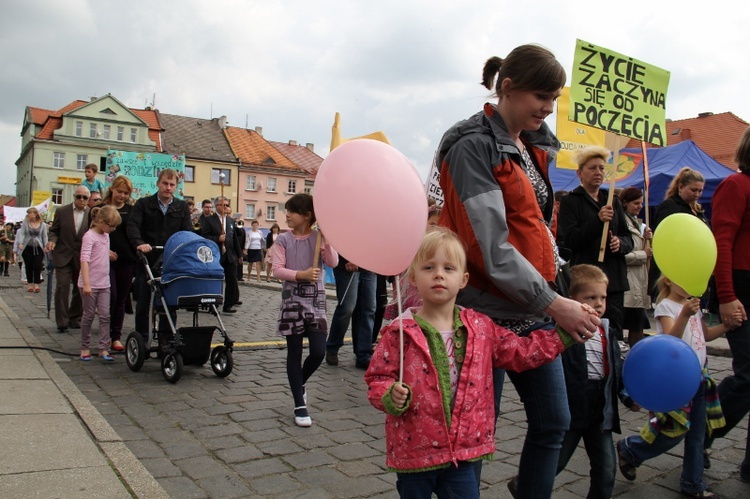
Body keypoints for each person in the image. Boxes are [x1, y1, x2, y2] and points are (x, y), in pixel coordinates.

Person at [436, 44, 598, 498]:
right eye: (541, 96)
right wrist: (555, 302)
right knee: (474, 435)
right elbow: (490, 247)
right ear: (507, 88)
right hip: (483, 312)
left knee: (553, 425)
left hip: (532, 306)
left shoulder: (530, 143)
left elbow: (531, 230)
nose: (549, 108)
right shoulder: (473, 146)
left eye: (555, 98)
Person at [365, 228, 586, 498]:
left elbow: (520, 351)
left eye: (449, 268)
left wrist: (562, 336)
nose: (439, 274)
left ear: (463, 280)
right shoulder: (400, 333)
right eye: (428, 267)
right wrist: (389, 394)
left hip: (463, 454)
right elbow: (377, 377)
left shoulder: (481, 328)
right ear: (412, 276)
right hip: (415, 454)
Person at [616, 276, 738, 498]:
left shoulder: (693, 306)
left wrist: (726, 326)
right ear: (669, 281)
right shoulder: (666, 307)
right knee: (672, 432)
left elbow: (706, 335)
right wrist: (685, 314)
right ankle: (631, 449)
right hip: (676, 380)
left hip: (700, 378)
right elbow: (671, 339)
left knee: (698, 435)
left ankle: (692, 482)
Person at [545, 264, 636, 499]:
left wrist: (627, 397)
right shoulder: (562, 329)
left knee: (606, 468)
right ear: (572, 300)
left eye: (602, 297)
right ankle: (526, 483)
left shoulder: (607, 330)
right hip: (573, 409)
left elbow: (616, 370)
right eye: (590, 297)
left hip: (601, 410)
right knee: (555, 462)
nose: (598, 303)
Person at [705, 126, 750, 482]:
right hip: (742, 288)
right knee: (748, 377)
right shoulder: (737, 185)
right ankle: (696, 431)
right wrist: (727, 296)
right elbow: (722, 242)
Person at [270, 193, 338, 427]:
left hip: (316, 303)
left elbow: (332, 262)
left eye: (292, 211)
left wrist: (327, 241)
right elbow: (277, 270)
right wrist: (300, 275)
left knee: (319, 351)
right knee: (294, 353)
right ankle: (300, 405)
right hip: (292, 302)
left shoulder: (318, 237)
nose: (287, 215)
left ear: (307, 216)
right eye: (287, 210)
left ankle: (300, 382)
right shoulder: (282, 240)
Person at [556, 146, 634, 341]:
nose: (598, 173)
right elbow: (570, 240)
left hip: (613, 278)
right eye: (592, 168)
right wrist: (597, 221)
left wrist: (620, 244)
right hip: (587, 279)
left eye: (601, 168)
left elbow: (628, 237)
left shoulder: (612, 200)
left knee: (613, 332)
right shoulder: (571, 202)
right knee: (587, 330)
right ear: (580, 173)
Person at [127, 168, 191, 335]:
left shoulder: (182, 207)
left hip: (169, 261)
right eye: (165, 183)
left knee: (169, 303)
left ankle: (166, 340)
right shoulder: (143, 204)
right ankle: (142, 336)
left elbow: (186, 231)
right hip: (146, 259)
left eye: (171, 184)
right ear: (158, 184)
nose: (168, 187)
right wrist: (139, 243)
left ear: (176, 186)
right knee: (144, 302)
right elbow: (133, 225)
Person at [649, 167, 708, 301]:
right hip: (674, 270)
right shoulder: (670, 206)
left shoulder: (697, 210)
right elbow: (665, 238)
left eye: (700, 191)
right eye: (693, 190)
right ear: (680, 187)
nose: (697, 194)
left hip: (693, 267)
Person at [78, 205, 121, 362]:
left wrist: (107, 254)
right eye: (112, 226)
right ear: (101, 222)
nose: (113, 229)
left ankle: (104, 348)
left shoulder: (105, 236)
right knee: (88, 316)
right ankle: (85, 347)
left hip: (104, 283)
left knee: (105, 316)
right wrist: (87, 284)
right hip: (90, 283)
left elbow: (100, 251)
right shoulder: (89, 236)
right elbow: (84, 260)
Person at [47, 185, 90, 333]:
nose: (82, 200)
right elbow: (54, 231)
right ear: (74, 197)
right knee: (62, 286)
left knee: (80, 288)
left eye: (85, 197)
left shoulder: (90, 214)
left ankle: (74, 318)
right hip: (63, 254)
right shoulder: (62, 211)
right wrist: (52, 240)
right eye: (79, 196)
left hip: (81, 257)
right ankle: (62, 321)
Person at [102, 176, 136, 352]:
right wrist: (103, 251)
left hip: (126, 260)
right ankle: (105, 334)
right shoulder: (101, 209)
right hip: (105, 261)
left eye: (125, 193)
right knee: (111, 296)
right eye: (119, 191)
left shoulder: (131, 211)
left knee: (122, 299)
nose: (122, 196)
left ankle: (115, 336)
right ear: (112, 189)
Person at [325, 256, 377, 370]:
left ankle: (363, 355)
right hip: (346, 264)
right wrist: (350, 257)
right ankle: (332, 346)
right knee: (347, 307)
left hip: (369, 264)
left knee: (369, 309)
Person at [619, 187, 653, 347]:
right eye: (636, 203)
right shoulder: (621, 223)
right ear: (625, 203)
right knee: (630, 326)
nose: (640, 206)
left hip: (639, 284)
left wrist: (647, 239)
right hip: (627, 283)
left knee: (638, 326)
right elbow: (620, 255)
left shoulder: (638, 224)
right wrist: (643, 254)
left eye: (641, 203)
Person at [201, 196, 242, 314]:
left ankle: (228, 305)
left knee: (232, 280)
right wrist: (217, 239)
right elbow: (205, 237)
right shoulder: (209, 220)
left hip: (230, 255)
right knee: (214, 280)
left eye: (227, 205)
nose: (225, 207)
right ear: (217, 206)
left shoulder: (230, 221)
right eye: (223, 205)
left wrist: (239, 255)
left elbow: (234, 239)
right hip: (216, 254)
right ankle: (212, 304)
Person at [16, 208, 48, 293]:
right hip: (27, 247)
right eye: (28, 213)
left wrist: (45, 246)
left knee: (37, 265)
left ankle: (36, 284)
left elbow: (44, 236)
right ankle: (30, 284)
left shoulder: (43, 225)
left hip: (38, 248)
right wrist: (20, 243)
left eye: (30, 213)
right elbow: (22, 233)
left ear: (35, 214)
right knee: (28, 265)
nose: (28, 215)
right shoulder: (26, 224)